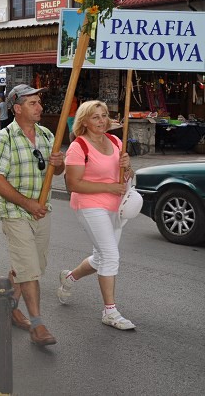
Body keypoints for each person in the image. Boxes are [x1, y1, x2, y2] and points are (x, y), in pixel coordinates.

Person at [0, 84, 65, 347]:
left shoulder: (46, 134)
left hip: (41, 212)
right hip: (16, 213)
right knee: (30, 270)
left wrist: (59, 164)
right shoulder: (4, 138)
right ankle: (38, 325)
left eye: (39, 102)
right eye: (33, 103)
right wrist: (27, 203)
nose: (40, 107)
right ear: (17, 108)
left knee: (32, 265)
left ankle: (8, 303)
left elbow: (57, 172)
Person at [58, 100, 136, 330]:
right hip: (90, 204)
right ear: (84, 122)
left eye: (104, 115)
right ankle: (110, 312)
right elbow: (73, 184)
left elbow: (126, 177)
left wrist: (127, 167)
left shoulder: (115, 141)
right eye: (95, 117)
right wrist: (109, 187)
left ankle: (69, 277)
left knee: (100, 257)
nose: (102, 120)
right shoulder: (78, 147)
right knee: (110, 255)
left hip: (116, 205)